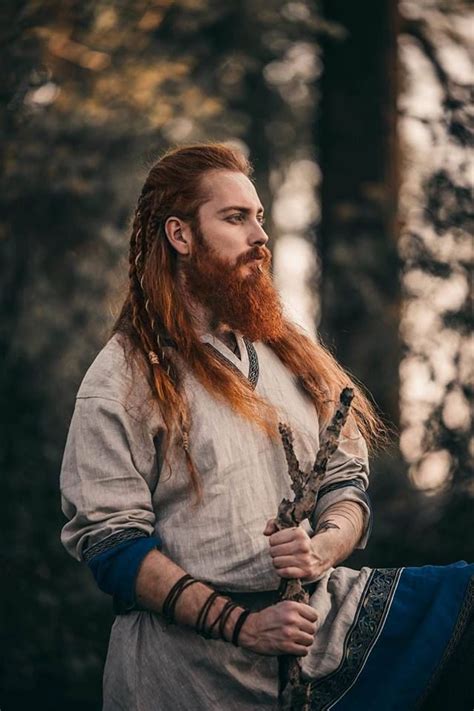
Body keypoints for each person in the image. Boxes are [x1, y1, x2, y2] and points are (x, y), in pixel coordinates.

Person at [60, 143, 473, 711]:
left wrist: (323, 549)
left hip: (318, 627)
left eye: (259, 217)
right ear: (180, 236)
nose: (261, 235)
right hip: (186, 673)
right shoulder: (126, 375)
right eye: (235, 219)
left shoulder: (290, 353)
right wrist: (245, 628)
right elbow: (112, 543)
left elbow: (347, 483)